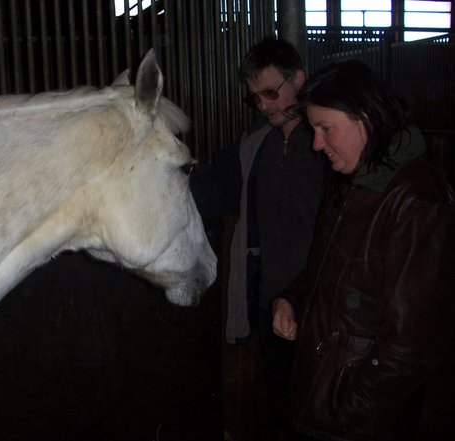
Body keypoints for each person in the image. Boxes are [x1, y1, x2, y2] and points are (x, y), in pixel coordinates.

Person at [272, 59, 455, 441]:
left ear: (366, 118)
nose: (316, 143)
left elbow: (412, 343)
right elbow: (325, 269)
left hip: (361, 423)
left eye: (325, 128)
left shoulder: (418, 203)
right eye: (313, 128)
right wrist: (291, 298)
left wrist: (349, 408)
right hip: (322, 402)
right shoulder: (351, 182)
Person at [190, 37, 326, 437]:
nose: (264, 105)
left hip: (322, 305)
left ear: (298, 79)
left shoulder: (330, 142)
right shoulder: (254, 145)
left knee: (323, 413)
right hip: (271, 304)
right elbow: (208, 189)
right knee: (282, 405)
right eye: (255, 98)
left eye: (271, 92)